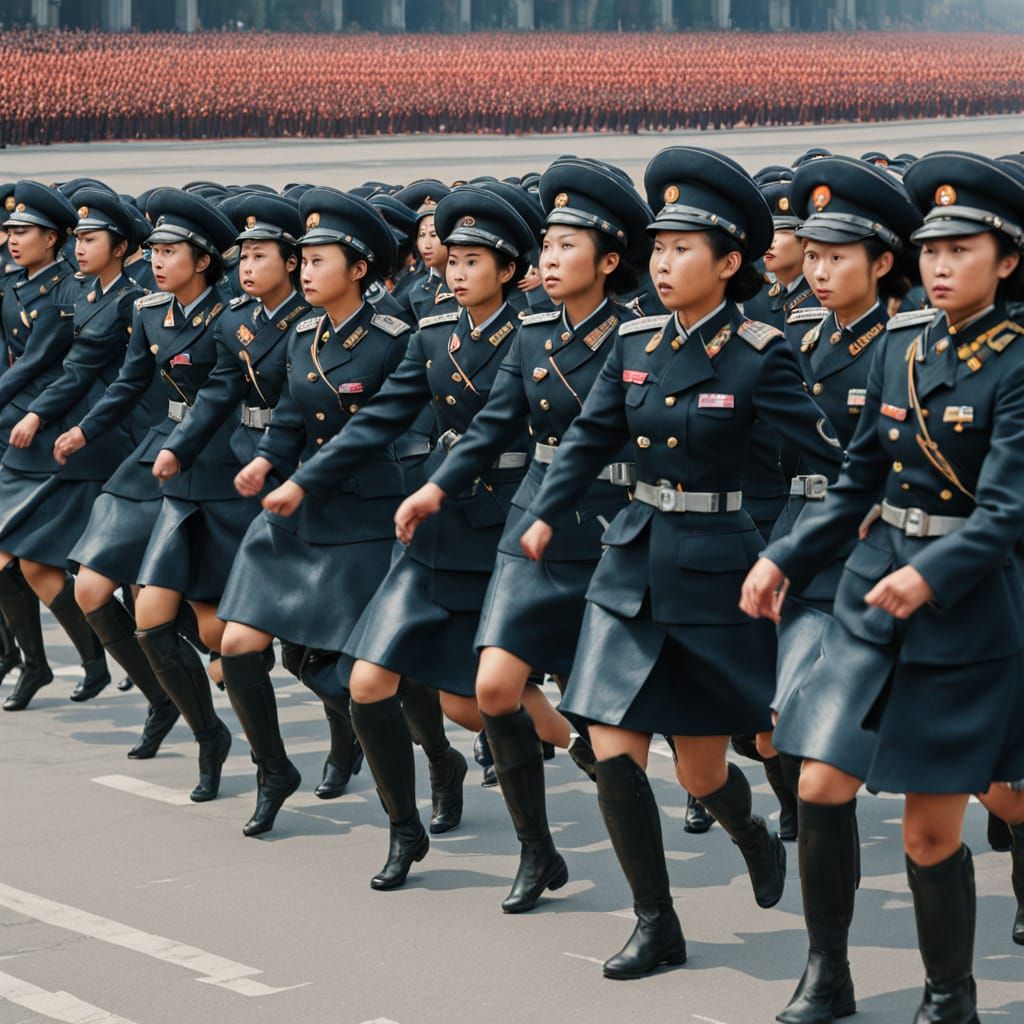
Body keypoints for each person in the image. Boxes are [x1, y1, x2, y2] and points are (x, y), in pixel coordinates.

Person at [518, 146, 843, 980]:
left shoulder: (761, 351)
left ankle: (751, 835)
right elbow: (591, 436)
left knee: (704, 766)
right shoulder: (633, 339)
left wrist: (788, 556)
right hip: (633, 562)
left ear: (730, 262)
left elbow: (819, 470)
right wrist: (546, 514)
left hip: (715, 571)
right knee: (612, 745)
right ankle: (656, 922)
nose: (663, 264)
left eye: (684, 249)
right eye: (657, 248)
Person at [741, 151, 1024, 1024]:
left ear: (1007, 261)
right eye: (933, 250)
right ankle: (828, 972)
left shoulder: (1016, 366)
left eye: (963, 249)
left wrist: (927, 574)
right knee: (818, 781)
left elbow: (1007, 510)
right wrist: (785, 558)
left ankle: (950, 997)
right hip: (870, 596)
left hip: (965, 609)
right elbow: (859, 480)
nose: (941, 266)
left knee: (934, 828)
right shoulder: (899, 348)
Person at [394, 158, 651, 913]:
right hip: (531, 521)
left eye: (568, 245)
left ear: (609, 259)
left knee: (609, 723)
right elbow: (488, 428)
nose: (550, 257)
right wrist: (435, 487)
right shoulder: (533, 334)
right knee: (496, 688)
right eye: (549, 242)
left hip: (608, 527)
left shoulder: (638, 335)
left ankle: (727, 824)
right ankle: (537, 852)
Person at [266, 186, 539, 890]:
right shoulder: (434, 335)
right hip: (437, 526)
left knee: (482, 702)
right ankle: (404, 829)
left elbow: (513, 430)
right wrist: (307, 478)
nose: (455, 272)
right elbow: (379, 418)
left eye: (474, 261)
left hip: (509, 521)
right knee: (368, 682)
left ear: (508, 271)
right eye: (454, 259)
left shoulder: (535, 333)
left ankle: (538, 843)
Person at [215, 187, 413, 835]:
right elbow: (290, 420)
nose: (305, 270)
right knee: (238, 644)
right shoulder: (303, 334)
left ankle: (417, 770)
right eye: (302, 258)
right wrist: (265, 461)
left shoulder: (392, 340)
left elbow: (391, 432)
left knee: (359, 675)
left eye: (319, 259)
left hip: (366, 520)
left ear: (359, 270)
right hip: (300, 512)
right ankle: (274, 769)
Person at [54, 188, 237, 797]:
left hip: (213, 457)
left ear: (204, 259)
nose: (157, 261)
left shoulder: (231, 316)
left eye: (171, 250)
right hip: (155, 453)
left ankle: (273, 732)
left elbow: (228, 397)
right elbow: (131, 381)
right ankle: (183, 713)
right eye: (154, 249)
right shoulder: (149, 311)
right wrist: (81, 429)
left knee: (215, 631)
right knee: (92, 586)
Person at [0, 180, 102, 711]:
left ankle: (88, 658)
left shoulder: (65, 291)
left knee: (36, 562)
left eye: (24, 232)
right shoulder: (17, 283)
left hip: (49, 426)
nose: (13, 240)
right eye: (10, 230)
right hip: (18, 422)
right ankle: (37, 662)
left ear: (53, 238)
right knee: (28, 565)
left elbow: (40, 363)